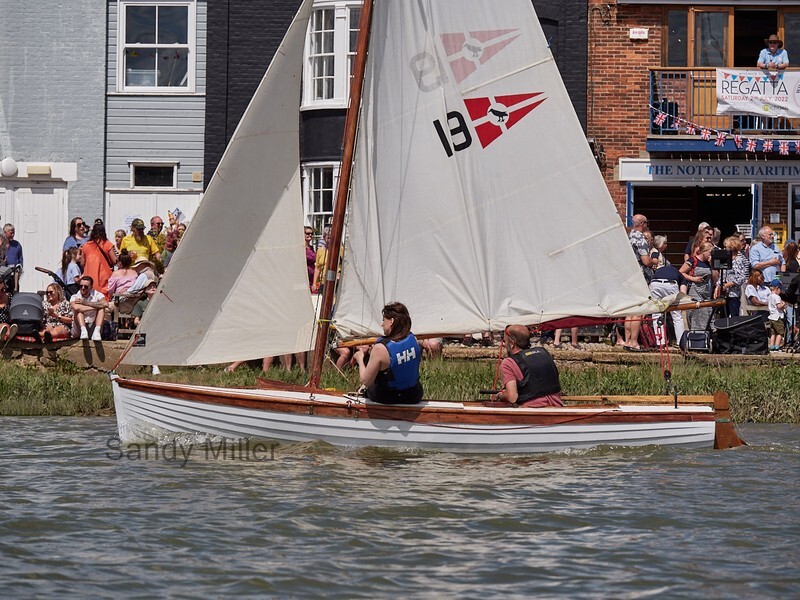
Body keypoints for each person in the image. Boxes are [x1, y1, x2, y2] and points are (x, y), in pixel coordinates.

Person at [353, 302, 424, 404]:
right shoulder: (413, 339)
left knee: (368, 386)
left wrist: (360, 359)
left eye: (383, 320)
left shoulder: (380, 349)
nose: (382, 324)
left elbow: (366, 381)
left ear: (391, 321)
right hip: (413, 395)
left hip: (388, 397)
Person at [494, 324, 563, 407]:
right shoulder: (544, 353)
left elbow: (512, 397)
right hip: (557, 407)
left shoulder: (509, 362)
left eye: (505, 341)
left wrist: (500, 396)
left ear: (512, 343)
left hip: (532, 411)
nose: (504, 345)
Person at [624, 214, 655, 351]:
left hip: (629, 275)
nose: (647, 225)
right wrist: (653, 261)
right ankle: (634, 342)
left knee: (630, 310)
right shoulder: (640, 238)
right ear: (642, 223)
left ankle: (627, 341)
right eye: (646, 223)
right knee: (638, 310)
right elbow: (646, 261)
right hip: (640, 275)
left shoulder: (628, 236)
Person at [680, 242, 718, 331]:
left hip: (707, 292)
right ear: (704, 252)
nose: (710, 255)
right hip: (694, 291)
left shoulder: (710, 263)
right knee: (697, 313)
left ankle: (704, 335)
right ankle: (696, 334)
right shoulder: (693, 261)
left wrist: (712, 264)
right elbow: (681, 272)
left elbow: (716, 278)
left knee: (707, 313)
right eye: (710, 253)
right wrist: (693, 279)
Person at [649, 263, 686, 348]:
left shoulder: (659, 271)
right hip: (671, 284)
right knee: (677, 315)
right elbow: (683, 293)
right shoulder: (680, 276)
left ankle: (660, 342)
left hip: (655, 284)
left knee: (656, 314)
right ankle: (680, 342)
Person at [82, 222, 118, 300]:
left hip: (88, 276)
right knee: (103, 299)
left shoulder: (86, 245)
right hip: (104, 276)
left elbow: (82, 262)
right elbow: (115, 260)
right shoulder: (107, 244)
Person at [70, 275, 109, 341]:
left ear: (91, 287)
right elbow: (77, 308)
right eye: (81, 286)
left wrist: (85, 303)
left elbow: (105, 304)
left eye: (86, 286)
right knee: (79, 311)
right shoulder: (75, 296)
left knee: (101, 309)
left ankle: (97, 331)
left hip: (93, 324)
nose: (83, 288)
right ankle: (83, 330)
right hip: (79, 327)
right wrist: (96, 307)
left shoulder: (97, 294)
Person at [721, 235, 748, 318]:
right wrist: (719, 286)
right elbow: (722, 273)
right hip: (724, 293)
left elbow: (741, 277)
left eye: (726, 247)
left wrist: (728, 284)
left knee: (734, 316)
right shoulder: (726, 259)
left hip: (734, 294)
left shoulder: (738, 260)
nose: (724, 249)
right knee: (723, 316)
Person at [767, 280, 786, 351]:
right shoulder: (777, 297)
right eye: (780, 289)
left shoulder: (769, 297)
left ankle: (772, 346)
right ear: (777, 288)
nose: (780, 292)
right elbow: (778, 306)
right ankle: (777, 346)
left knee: (772, 333)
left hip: (771, 317)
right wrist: (783, 304)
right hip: (777, 317)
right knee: (780, 333)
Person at [4, 223, 22, 292]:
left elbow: (20, 259)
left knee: (15, 293)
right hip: (3, 275)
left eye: (14, 233)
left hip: (14, 275)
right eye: (11, 233)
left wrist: (20, 266)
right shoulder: (1, 244)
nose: (13, 235)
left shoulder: (17, 245)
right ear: (5, 232)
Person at [0, 278, 17, 343]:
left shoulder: (9, 296)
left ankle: (6, 338)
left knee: (7, 327)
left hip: (7, 323)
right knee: (4, 326)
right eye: (1, 290)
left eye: (3, 289)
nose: (3, 291)